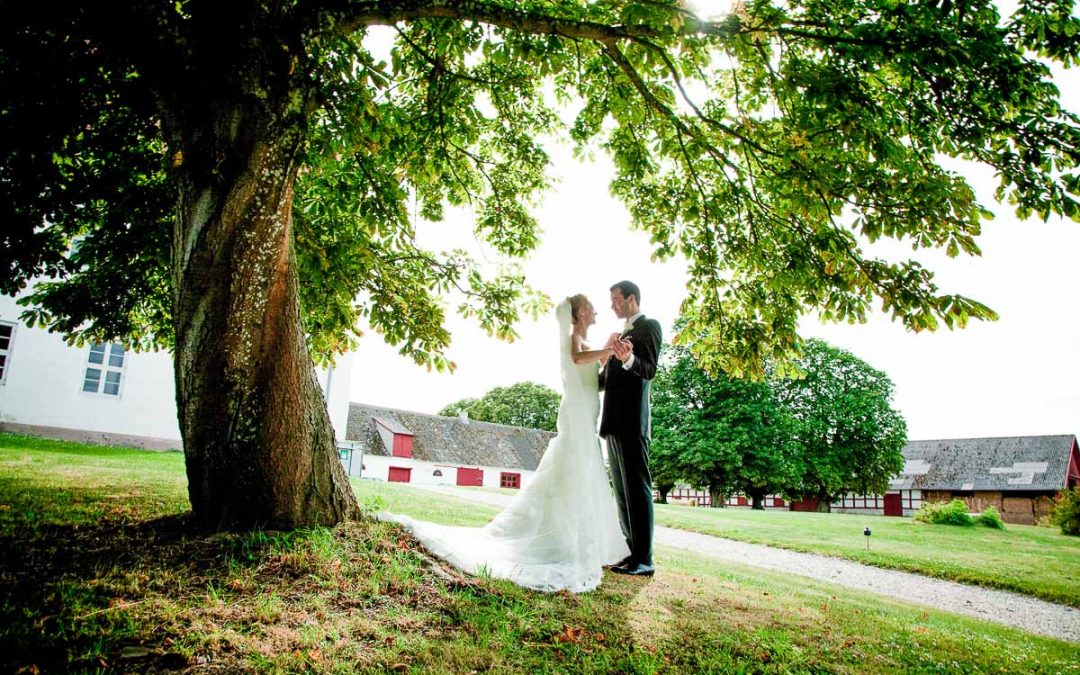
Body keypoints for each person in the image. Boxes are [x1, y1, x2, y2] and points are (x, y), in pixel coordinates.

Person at [381, 294, 629, 592]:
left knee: (580, 475)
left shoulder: (588, 344)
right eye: (591, 308)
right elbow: (578, 359)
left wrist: (610, 346)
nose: (596, 311)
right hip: (576, 414)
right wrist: (607, 349)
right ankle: (561, 541)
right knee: (572, 470)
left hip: (587, 412)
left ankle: (575, 538)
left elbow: (597, 366)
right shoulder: (573, 337)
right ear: (579, 313)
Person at [600, 281, 662, 577]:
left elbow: (648, 369)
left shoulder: (649, 327)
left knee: (638, 490)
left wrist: (627, 359)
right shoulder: (618, 336)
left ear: (631, 299)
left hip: (633, 423)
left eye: (616, 300)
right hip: (612, 422)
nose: (612, 305)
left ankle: (644, 558)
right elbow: (605, 382)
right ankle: (630, 552)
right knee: (622, 492)